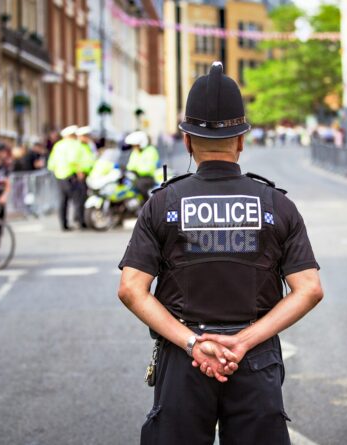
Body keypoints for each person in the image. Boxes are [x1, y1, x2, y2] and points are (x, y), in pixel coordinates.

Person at [117, 62, 324, 444]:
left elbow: (132, 288)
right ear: (242, 140)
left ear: (186, 140)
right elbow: (309, 288)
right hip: (255, 358)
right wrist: (244, 341)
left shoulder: (163, 203)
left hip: (183, 356)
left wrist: (195, 343)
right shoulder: (276, 204)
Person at [47, 125, 87, 230]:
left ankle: (63, 224)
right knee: (78, 199)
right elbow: (74, 160)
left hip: (59, 176)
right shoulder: (75, 145)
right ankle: (79, 221)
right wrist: (79, 172)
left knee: (63, 201)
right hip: (72, 175)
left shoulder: (58, 146)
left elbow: (51, 163)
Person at [125, 130, 160, 200]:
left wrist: (136, 169)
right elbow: (130, 166)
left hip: (147, 178)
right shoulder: (135, 152)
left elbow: (150, 168)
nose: (134, 147)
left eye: (136, 145)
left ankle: (146, 205)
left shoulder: (151, 151)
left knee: (140, 185)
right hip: (135, 177)